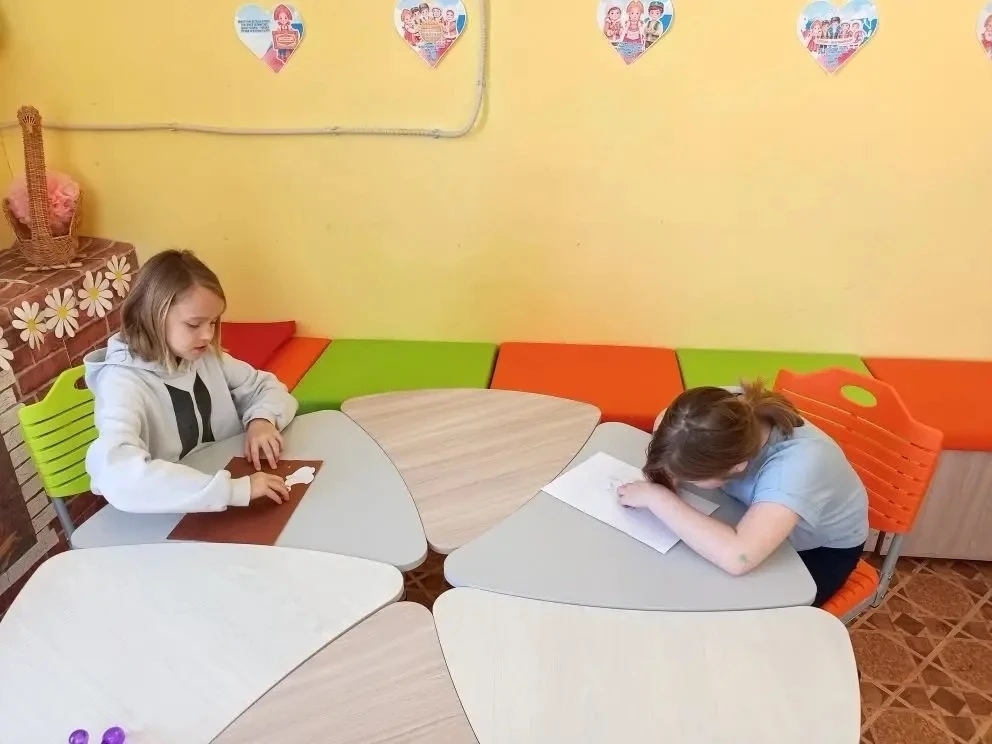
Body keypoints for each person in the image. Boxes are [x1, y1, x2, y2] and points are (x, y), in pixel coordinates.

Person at [617, 381, 868, 607]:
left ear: (738, 467)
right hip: (746, 511)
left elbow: (739, 557)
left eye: (691, 477)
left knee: (736, 615)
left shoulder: (795, 469)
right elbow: (665, 419)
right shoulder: (721, 410)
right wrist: (673, 466)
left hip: (816, 552)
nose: (682, 480)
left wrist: (657, 498)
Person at [85, 249, 298, 514]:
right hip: (170, 515)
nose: (208, 335)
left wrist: (262, 420)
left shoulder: (202, 356)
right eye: (194, 324)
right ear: (154, 317)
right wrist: (234, 490)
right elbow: (119, 473)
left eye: (213, 322)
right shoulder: (121, 383)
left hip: (227, 497)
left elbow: (267, 387)